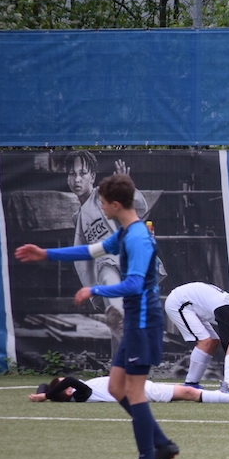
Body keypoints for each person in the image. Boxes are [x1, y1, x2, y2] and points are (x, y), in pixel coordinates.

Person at [15, 173, 177, 459]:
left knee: (134, 392)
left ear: (115, 204)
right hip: (135, 323)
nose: (99, 206)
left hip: (144, 323)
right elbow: (89, 251)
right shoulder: (125, 232)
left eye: (102, 202)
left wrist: (95, 289)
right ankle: (163, 444)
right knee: (116, 388)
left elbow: (133, 284)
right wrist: (45, 253)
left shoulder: (138, 238)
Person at [65, 151, 152, 356]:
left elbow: (139, 208)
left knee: (107, 275)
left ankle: (119, 316)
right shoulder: (78, 216)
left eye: (83, 173)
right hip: (107, 269)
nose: (77, 179)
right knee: (119, 327)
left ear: (93, 177)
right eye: (72, 174)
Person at [163, 283, 229, 388]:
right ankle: (190, 384)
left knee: (214, 341)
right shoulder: (226, 310)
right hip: (178, 303)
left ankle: (193, 383)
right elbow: (227, 343)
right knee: (206, 341)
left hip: (191, 305)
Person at [28, 375, 229, 404]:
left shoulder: (76, 393)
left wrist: (43, 394)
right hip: (140, 391)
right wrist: (47, 395)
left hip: (139, 386)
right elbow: (69, 380)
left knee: (186, 391)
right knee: (189, 393)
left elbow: (48, 385)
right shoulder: (81, 394)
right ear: (68, 391)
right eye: (65, 385)